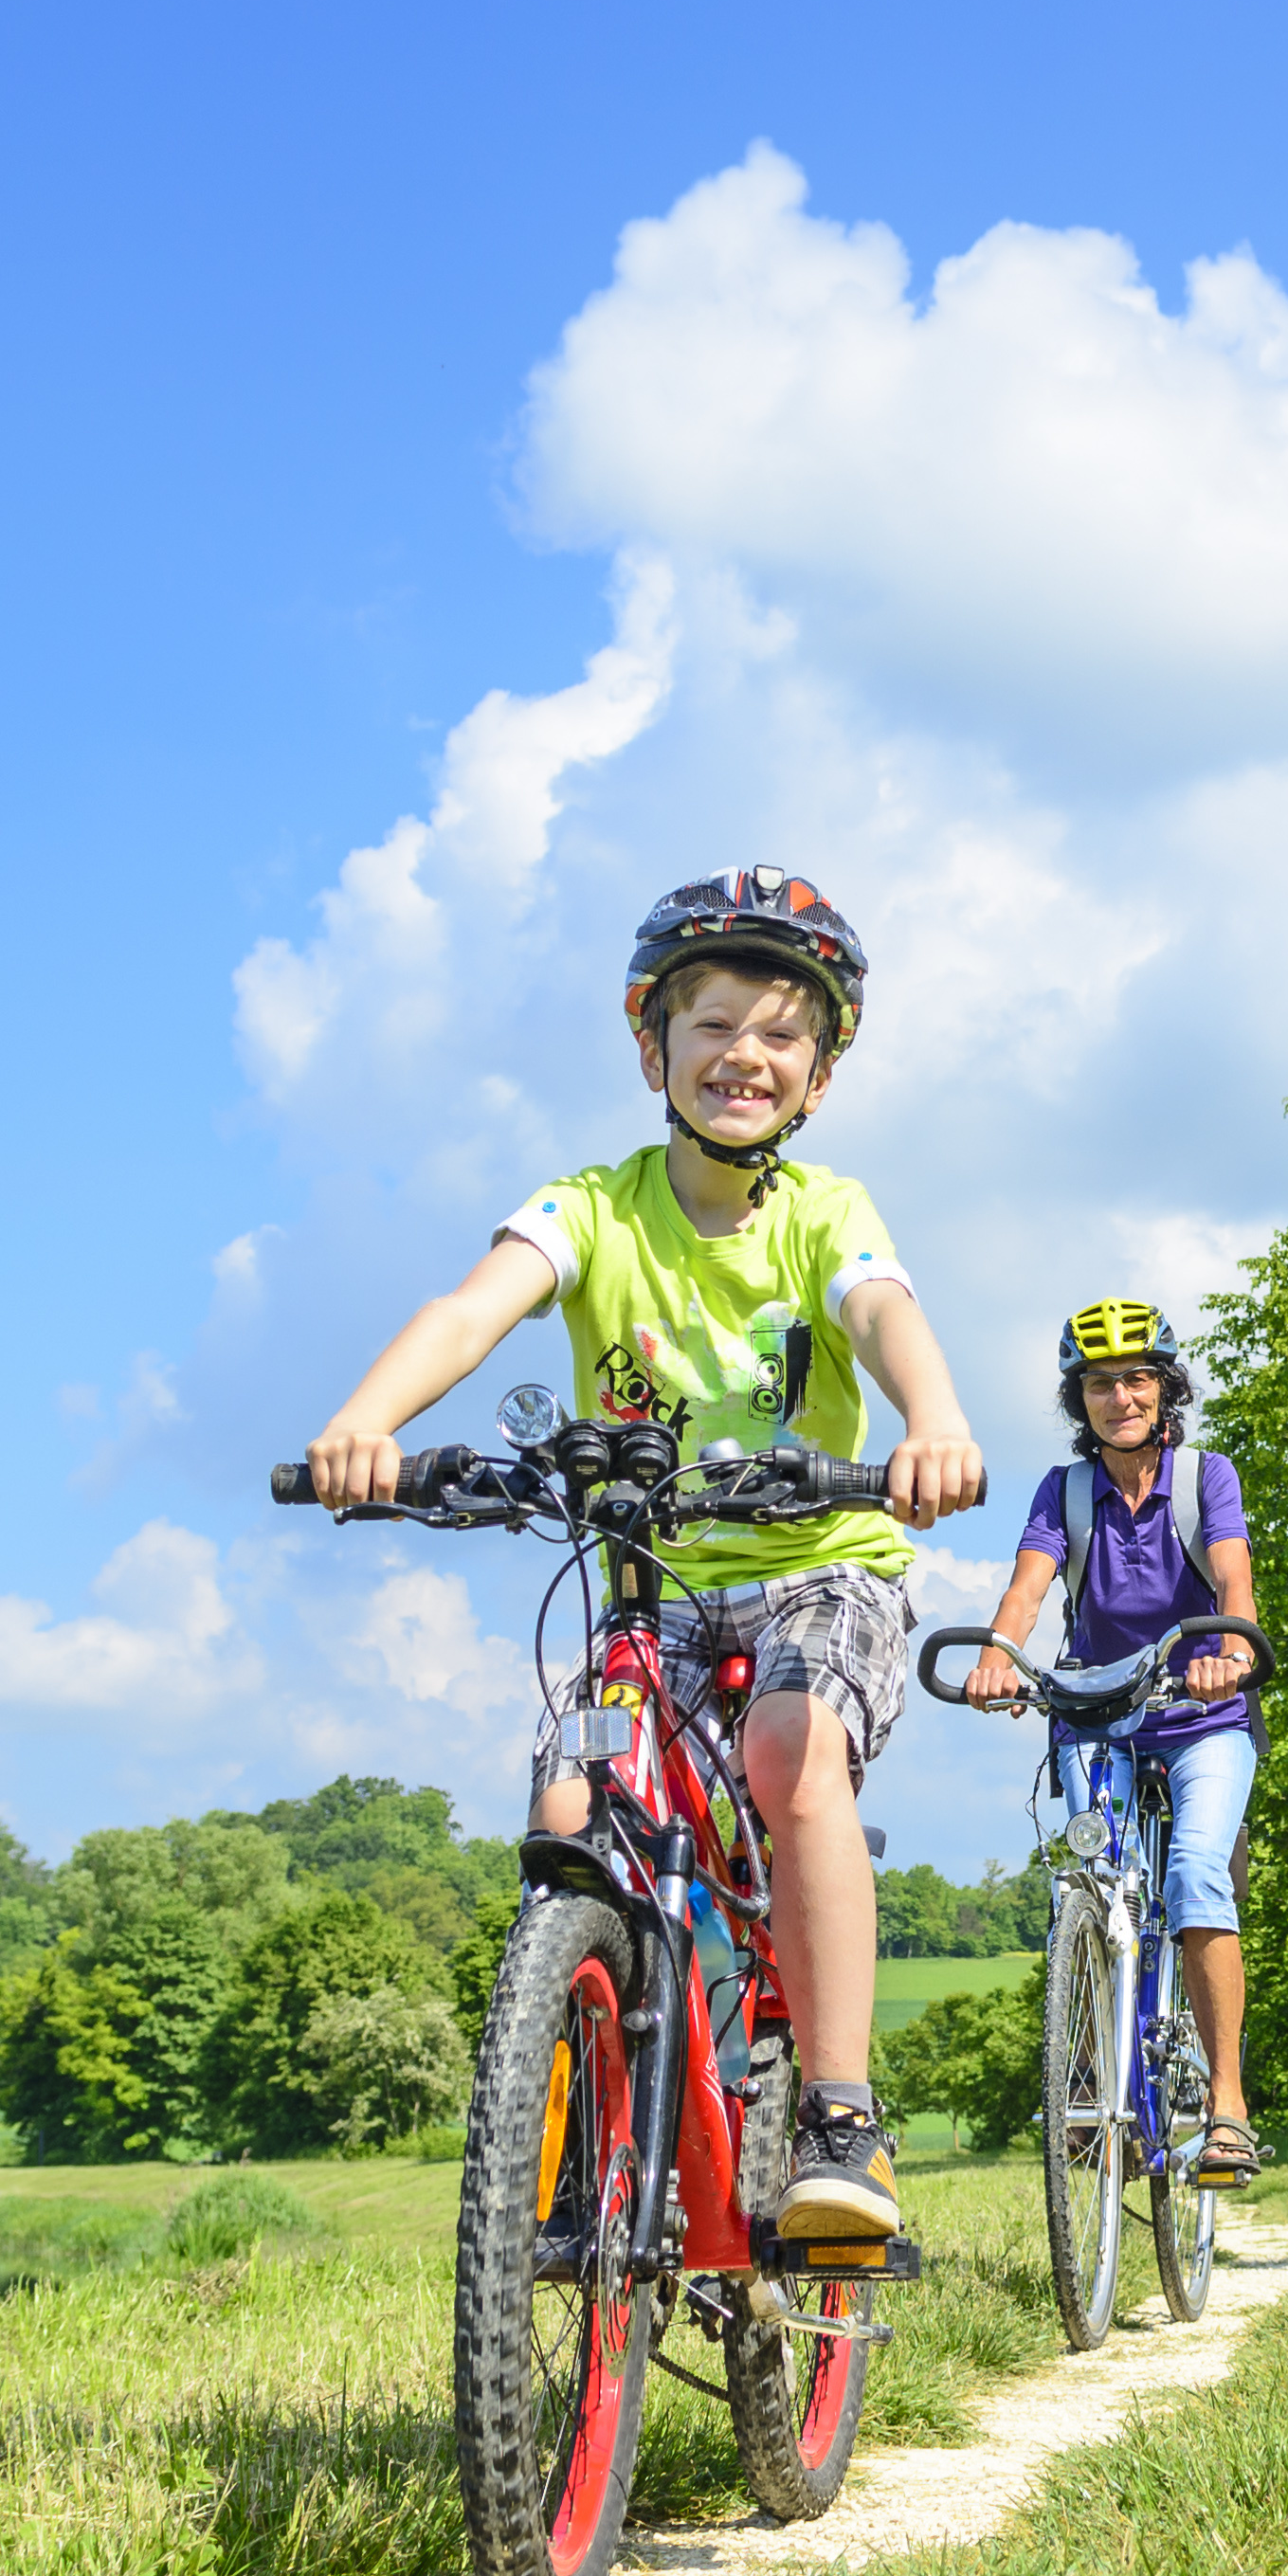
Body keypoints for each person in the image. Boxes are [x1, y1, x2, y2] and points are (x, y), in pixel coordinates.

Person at [305, 866, 989, 2242]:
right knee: (570, 1803)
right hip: (646, 1573)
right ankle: (571, 2121)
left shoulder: (821, 1211)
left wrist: (937, 1419)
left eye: (782, 1033)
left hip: (818, 1560)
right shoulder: (591, 1208)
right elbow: (469, 1309)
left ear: (818, 1077)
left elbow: (884, 1310)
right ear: (651, 1050)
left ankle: (839, 2115)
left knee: (794, 1757)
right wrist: (367, 1421)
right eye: (713, 1022)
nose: (745, 1052)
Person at [965, 1302, 1268, 2181]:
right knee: (1093, 1884)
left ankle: (1226, 2107)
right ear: (1080, 1400)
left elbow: (1234, 1575)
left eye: (1137, 1379)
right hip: (1096, 1709)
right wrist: (996, 1657)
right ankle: (1106, 2078)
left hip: (1201, 1710)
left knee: (1194, 1873)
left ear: (1166, 1390)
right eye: (1100, 1383)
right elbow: (1027, 1591)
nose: (1120, 1397)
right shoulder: (1062, 1491)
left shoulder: (1205, 1476)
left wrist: (1232, 1649)